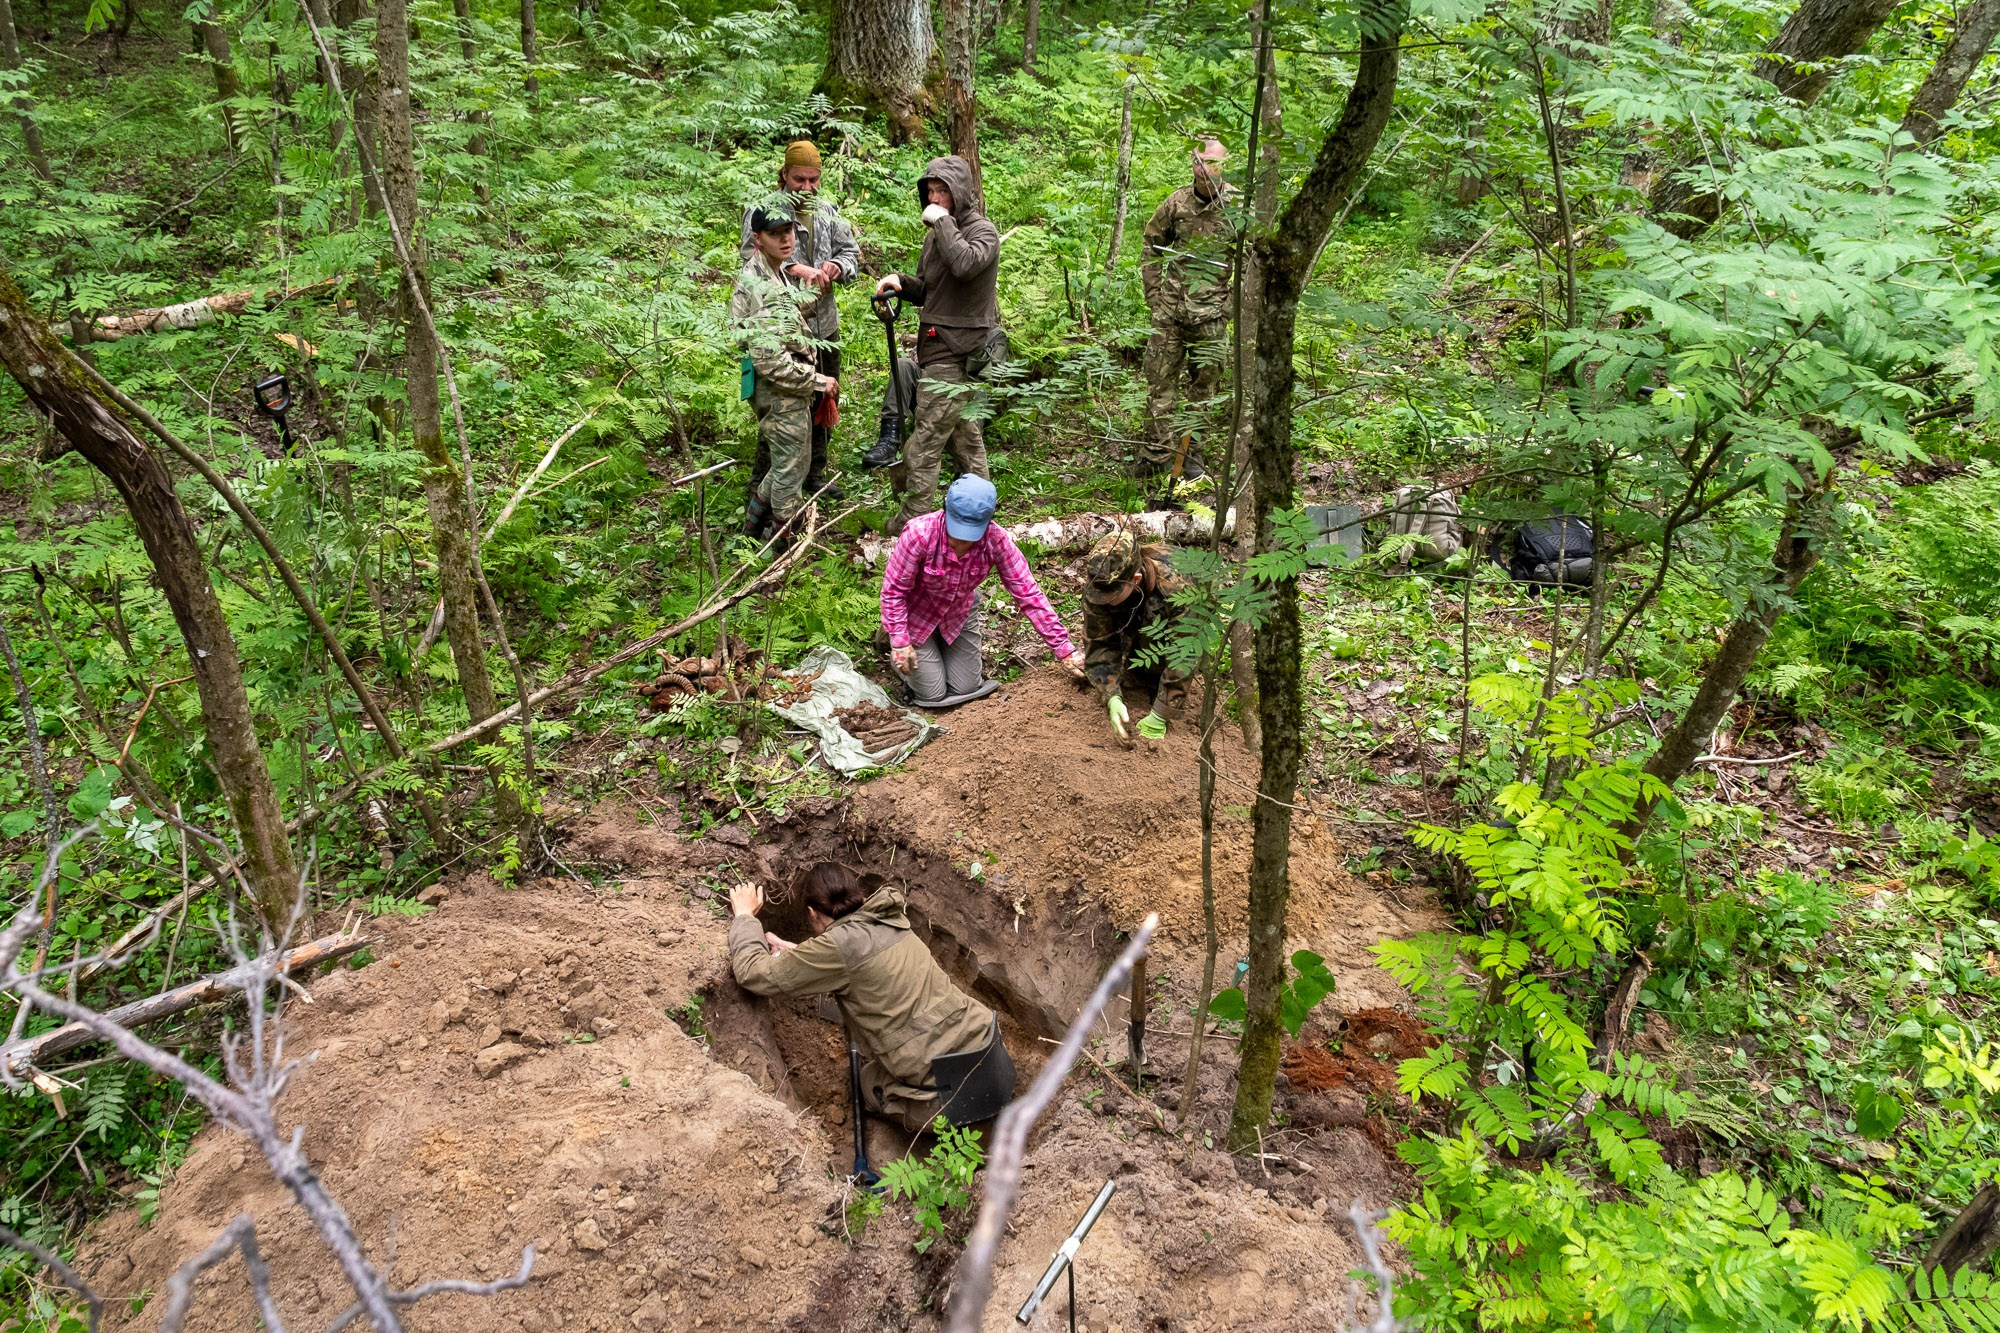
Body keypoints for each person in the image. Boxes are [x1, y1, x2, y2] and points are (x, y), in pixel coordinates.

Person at [728, 863, 1016, 1134]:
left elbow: (753, 973)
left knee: (867, 1082)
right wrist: (802, 957)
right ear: (858, 894)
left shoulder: (836, 948)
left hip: (955, 1100)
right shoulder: (889, 918)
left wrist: (744, 918)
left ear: (813, 913)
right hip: (994, 1059)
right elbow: (859, 960)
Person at [870, 155, 1002, 534]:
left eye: (942, 190)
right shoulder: (935, 237)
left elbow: (965, 264)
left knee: (925, 440)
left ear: (960, 191)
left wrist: (943, 222)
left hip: (960, 350)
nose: (934, 197)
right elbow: (931, 290)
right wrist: (901, 282)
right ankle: (983, 512)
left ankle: (912, 520)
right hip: (936, 346)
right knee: (965, 440)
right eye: (930, 191)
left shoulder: (983, 232)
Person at [880, 475, 1086, 707]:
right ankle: (895, 647)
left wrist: (1064, 649)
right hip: (916, 615)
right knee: (933, 695)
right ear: (945, 510)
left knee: (966, 688)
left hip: (958, 612)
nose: (961, 542)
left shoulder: (995, 539)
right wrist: (899, 640)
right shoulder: (919, 534)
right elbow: (894, 591)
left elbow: (1028, 592)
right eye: (955, 533)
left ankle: (936, 650)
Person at [739, 140, 860, 502]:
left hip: (824, 324)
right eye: (799, 179)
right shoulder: (763, 212)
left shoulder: (827, 210)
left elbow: (850, 251)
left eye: (813, 179)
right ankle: (765, 484)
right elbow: (750, 255)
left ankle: (815, 474)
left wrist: (837, 267)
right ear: (784, 175)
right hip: (781, 331)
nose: (806, 187)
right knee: (782, 410)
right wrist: (796, 268)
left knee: (824, 400)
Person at [732, 207, 837, 541]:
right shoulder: (759, 283)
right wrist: (820, 381)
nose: (786, 238)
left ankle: (750, 535)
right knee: (791, 474)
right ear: (757, 238)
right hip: (780, 393)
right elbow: (770, 360)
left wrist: (805, 300)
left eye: (789, 231)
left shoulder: (770, 272)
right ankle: (784, 550)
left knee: (784, 466)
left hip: (782, 391)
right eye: (776, 233)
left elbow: (780, 325)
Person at [1138, 138, 1235, 482]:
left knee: (1203, 391)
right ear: (1191, 164)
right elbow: (1151, 245)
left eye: (1213, 163)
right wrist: (1154, 296)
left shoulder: (1237, 208)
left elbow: (1253, 262)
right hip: (1170, 314)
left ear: (1224, 165)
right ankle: (1156, 455)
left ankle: (1193, 456)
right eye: (1199, 162)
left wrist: (1229, 307)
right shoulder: (1177, 202)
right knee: (1159, 384)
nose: (1205, 169)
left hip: (1211, 317)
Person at [1080, 530, 1188, 740]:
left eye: (1111, 596)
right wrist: (1111, 695)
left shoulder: (1176, 588)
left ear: (1135, 579)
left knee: (1155, 659)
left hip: (1178, 608)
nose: (1103, 600)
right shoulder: (1100, 585)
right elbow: (1099, 641)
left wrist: (1161, 712)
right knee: (1133, 656)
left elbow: (1184, 651)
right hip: (1137, 604)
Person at [1386, 484, 1463, 569]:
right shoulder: (1440, 496)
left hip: (1395, 548)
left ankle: (1402, 552)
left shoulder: (1402, 493)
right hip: (1441, 551)